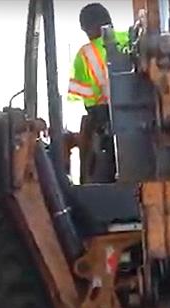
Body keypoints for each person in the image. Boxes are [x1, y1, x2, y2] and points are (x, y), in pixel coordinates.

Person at [66, 3, 130, 183]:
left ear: (88, 27)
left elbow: (89, 104)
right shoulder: (130, 39)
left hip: (107, 129)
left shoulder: (85, 54)